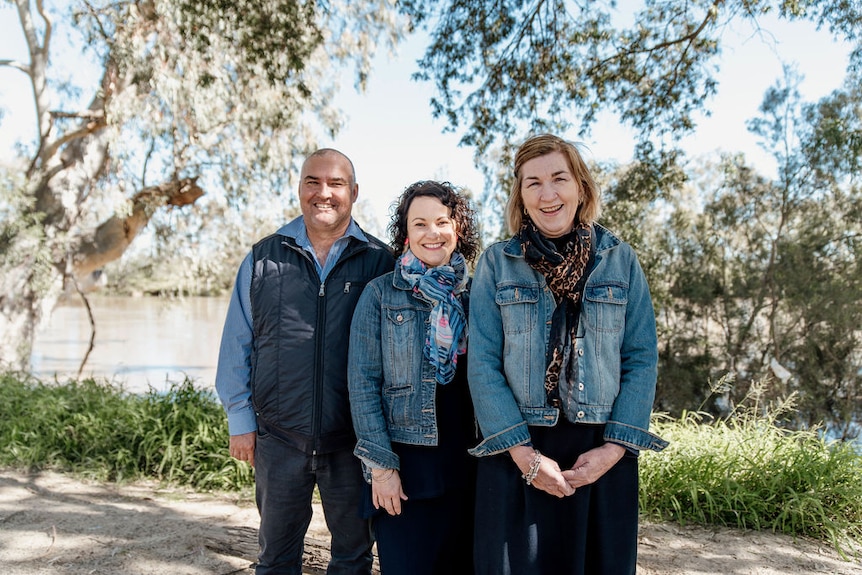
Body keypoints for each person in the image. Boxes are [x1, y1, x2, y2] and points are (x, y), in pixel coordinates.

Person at [467, 133, 668, 575]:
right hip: (515, 451)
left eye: (559, 178)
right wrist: (526, 458)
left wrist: (614, 450)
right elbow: (481, 365)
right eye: (533, 182)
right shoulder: (497, 264)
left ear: (581, 186)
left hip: (599, 457)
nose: (548, 193)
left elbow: (640, 358)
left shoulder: (620, 261)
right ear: (521, 195)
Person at [214, 148, 395, 575]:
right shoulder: (264, 257)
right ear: (300, 189)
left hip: (354, 442)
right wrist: (240, 419)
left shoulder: (381, 262)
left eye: (335, 184)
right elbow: (236, 343)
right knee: (275, 559)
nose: (324, 193)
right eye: (313, 182)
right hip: (278, 438)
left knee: (352, 559)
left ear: (353, 192)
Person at [347, 181, 481, 575]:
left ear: (458, 230)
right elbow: (362, 384)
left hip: (469, 467)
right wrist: (381, 469)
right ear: (406, 232)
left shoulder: (475, 296)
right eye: (420, 223)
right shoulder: (380, 295)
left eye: (442, 222)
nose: (432, 233)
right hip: (405, 471)